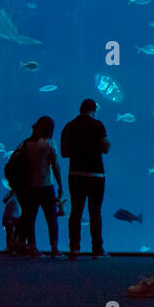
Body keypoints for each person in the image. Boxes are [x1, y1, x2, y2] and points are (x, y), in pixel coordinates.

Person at [60, 99, 110, 259]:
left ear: (80, 109)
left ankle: (74, 248)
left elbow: (64, 152)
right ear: (94, 110)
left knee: (75, 212)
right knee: (95, 212)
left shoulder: (69, 126)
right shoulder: (98, 125)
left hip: (75, 174)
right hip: (95, 175)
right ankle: (97, 249)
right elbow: (106, 147)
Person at [16, 116, 64, 258]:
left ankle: (32, 247)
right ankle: (54, 248)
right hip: (46, 185)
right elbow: (55, 166)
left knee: (30, 218)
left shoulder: (25, 144)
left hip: (30, 187)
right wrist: (60, 184)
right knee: (51, 218)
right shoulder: (49, 143)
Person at [1, 188, 22, 254]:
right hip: (11, 216)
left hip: (14, 216)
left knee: (13, 233)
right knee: (10, 233)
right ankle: (10, 247)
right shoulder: (11, 193)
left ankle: (12, 247)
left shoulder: (12, 194)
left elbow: (4, 200)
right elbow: (4, 200)